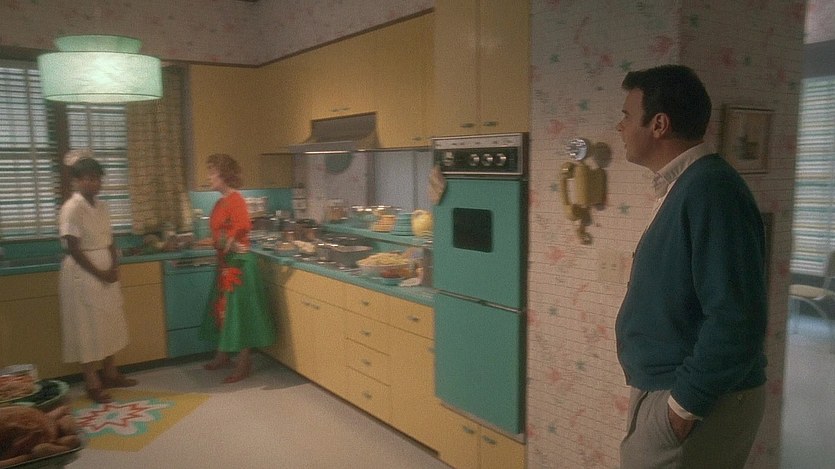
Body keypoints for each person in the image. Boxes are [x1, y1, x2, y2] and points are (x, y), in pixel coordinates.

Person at [615, 65, 768, 468]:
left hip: (694, 399)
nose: (620, 126)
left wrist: (682, 408)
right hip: (669, 389)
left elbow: (737, 317)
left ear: (659, 124)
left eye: (628, 115)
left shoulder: (712, 190)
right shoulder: (684, 187)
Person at [59, 149, 137, 404]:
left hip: (105, 272)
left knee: (109, 322)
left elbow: (110, 240)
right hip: (84, 273)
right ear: (77, 181)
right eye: (89, 178)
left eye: (97, 178)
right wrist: (100, 272)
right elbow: (73, 247)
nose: (94, 183)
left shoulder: (102, 206)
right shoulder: (72, 208)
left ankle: (110, 373)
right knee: (88, 326)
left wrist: (114, 266)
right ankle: (92, 381)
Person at [199, 153, 275, 383]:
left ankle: (244, 362)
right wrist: (221, 243)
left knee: (239, 314)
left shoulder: (236, 199)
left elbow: (241, 226)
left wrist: (229, 243)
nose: (209, 177)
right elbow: (219, 233)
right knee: (223, 310)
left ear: (224, 175)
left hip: (239, 266)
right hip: (225, 263)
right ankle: (223, 355)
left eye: (212, 172)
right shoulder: (219, 202)